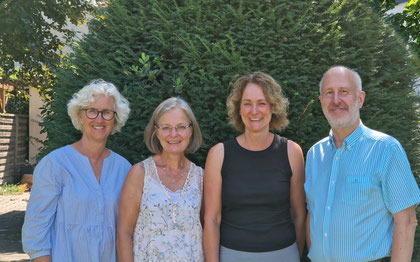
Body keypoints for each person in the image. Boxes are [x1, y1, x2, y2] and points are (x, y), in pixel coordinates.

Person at [305, 66, 420, 262]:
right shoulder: (315, 154)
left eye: (344, 92)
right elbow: (313, 214)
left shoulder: (386, 149)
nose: (335, 100)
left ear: (360, 99)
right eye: (328, 93)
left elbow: (407, 221)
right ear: (321, 101)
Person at [22, 79, 132, 262]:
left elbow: (128, 231)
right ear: (79, 116)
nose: (99, 119)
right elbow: (36, 230)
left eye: (106, 112)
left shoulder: (124, 169)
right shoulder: (55, 164)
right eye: (91, 111)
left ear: (115, 119)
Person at [203, 72, 306, 262]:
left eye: (262, 103)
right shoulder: (218, 154)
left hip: (284, 255)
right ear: (238, 109)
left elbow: (298, 215)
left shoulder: (292, 152)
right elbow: (211, 219)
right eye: (247, 103)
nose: (254, 110)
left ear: (273, 107)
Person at [117, 97, 204, 262]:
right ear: (156, 131)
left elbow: (209, 228)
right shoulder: (140, 173)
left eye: (181, 127)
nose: (173, 134)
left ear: (191, 130)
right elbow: (124, 232)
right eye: (166, 127)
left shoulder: (201, 178)